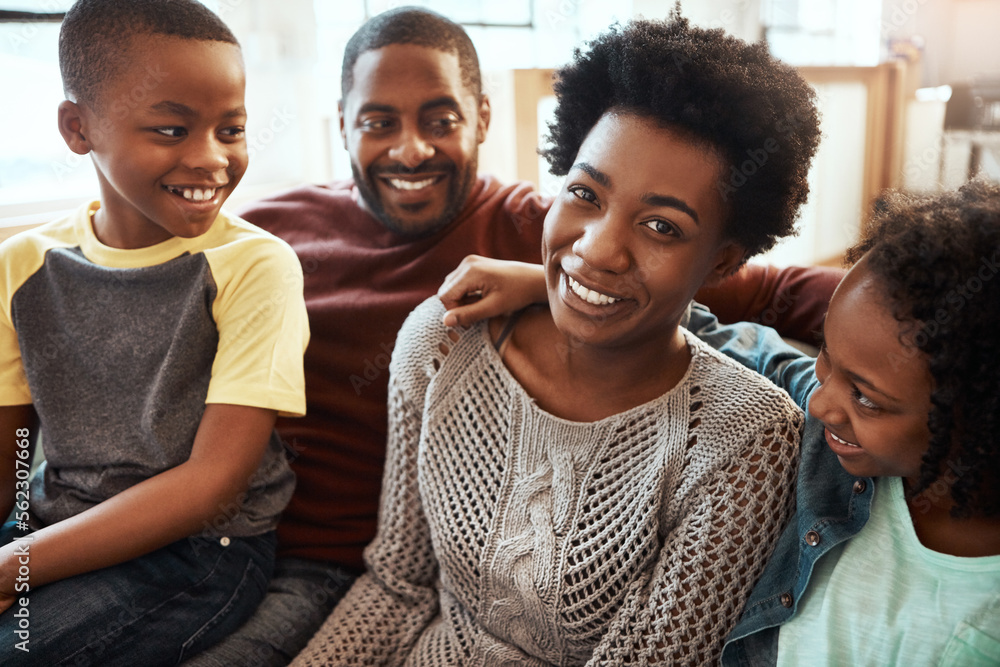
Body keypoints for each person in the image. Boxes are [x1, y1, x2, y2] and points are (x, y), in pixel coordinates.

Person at [189, 7, 840, 666]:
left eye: (662, 227)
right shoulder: (443, 340)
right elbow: (399, 587)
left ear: (723, 262)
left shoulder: (747, 440)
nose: (598, 249)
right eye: (585, 193)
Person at [445, 181, 1000, 663]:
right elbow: (741, 344)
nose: (819, 403)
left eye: (868, 399)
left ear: (977, 424)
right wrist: (560, 288)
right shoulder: (840, 438)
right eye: (826, 359)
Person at [0, 1, 308, 664]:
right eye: (172, 129)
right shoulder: (23, 265)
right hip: (58, 519)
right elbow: (13, 456)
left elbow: (212, 484)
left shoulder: (255, 266)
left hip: (202, 551)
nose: (211, 160)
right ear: (77, 128)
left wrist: (13, 566)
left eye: (232, 129)